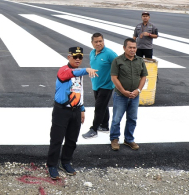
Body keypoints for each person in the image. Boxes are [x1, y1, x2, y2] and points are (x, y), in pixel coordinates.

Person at [46, 47, 98, 180]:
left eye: (80, 57)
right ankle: (52, 165)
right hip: (61, 111)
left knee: (71, 140)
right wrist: (86, 70)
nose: (78, 59)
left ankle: (66, 162)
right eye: (75, 57)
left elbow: (79, 91)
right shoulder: (64, 70)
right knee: (57, 139)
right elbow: (68, 74)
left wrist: (82, 109)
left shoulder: (79, 74)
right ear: (69, 56)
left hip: (75, 111)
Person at [110, 38, 148, 151]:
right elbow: (114, 77)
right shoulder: (117, 61)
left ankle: (129, 139)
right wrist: (123, 91)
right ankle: (114, 139)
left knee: (132, 118)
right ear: (124, 48)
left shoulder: (140, 60)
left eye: (134, 47)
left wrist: (138, 90)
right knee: (117, 119)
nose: (132, 50)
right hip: (121, 96)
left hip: (135, 96)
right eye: (130, 47)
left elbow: (143, 76)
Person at [82, 33, 118, 139]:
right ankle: (105, 126)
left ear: (103, 41)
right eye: (96, 42)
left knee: (98, 108)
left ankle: (94, 129)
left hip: (106, 86)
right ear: (92, 43)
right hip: (96, 84)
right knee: (103, 106)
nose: (99, 43)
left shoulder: (110, 53)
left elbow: (119, 65)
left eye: (100, 41)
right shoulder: (92, 53)